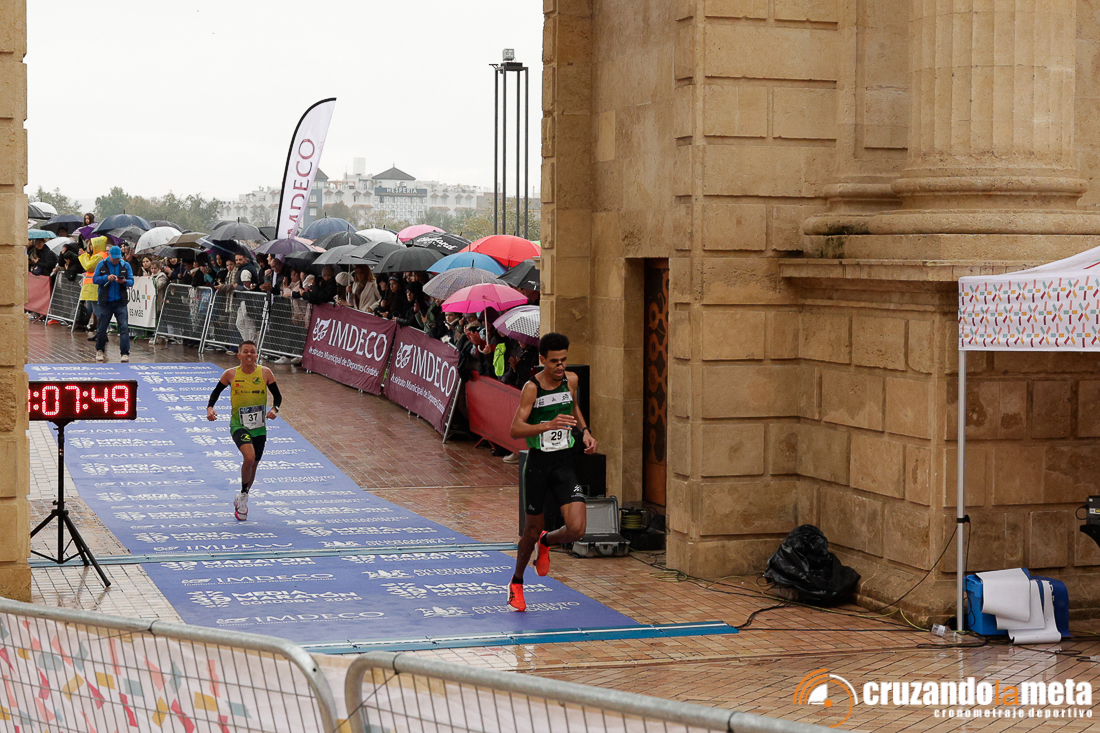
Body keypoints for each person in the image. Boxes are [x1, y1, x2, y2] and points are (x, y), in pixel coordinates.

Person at [506, 332, 597, 612]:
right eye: (554, 361)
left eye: (564, 360)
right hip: (538, 464)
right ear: (542, 359)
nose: (560, 366)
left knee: (577, 529)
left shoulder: (572, 380)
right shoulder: (532, 388)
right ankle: (517, 582)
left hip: (564, 463)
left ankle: (547, 541)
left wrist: (585, 431)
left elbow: (574, 406)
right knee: (531, 530)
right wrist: (548, 424)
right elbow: (515, 430)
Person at [205, 341, 283, 521]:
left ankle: (243, 495)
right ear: (239, 354)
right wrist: (210, 408)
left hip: (259, 427)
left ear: (257, 355)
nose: (249, 355)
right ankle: (243, 495)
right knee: (249, 457)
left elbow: (277, 396)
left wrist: (275, 409)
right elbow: (216, 392)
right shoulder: (230, 374)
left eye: (252, 352)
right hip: (238, 425)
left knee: (254, 463)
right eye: (245, 351)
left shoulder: (265, 373)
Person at [91, 245, 134, 363]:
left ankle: (125, 353)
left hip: (120, 302)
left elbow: (131, 281)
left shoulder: (125, 265)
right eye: (114, 258)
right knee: (102, 328)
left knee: (124, 328)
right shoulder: (101, 264)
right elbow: (95, 279)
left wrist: (124, 281)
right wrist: (106, 278)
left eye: (118, 258)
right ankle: (100, 350)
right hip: (105, 302)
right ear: (109, 255)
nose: (116, 260)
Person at [77, 237, 109, 336]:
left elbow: (88, 266)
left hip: (95, 287)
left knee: (98, 311)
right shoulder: (98, 255)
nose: (89, 247)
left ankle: (101, 332)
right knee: (94, 310)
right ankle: (99, 332)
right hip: (92, 287)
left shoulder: (99, 256)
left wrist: (83, 256)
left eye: (91, 245)